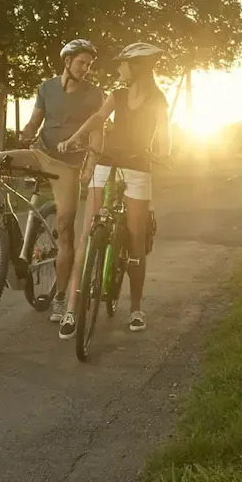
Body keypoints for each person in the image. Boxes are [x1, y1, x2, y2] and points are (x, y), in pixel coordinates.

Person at [0, 38, 104, 324]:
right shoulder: (46, 88)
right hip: (38, 154)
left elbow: (96, 132)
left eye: (89, 65)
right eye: (82, 62)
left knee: (66, 230)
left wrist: (90, 165)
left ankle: (59, 298)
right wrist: (27, 131)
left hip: (68, 167)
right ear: (67, 61)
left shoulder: (95, 94)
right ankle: (4, 226)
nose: (86, 68)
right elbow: (36, 120)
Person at [55, 42, 170, 336]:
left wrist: (163, 152)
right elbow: (97, 119)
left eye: (122, 64)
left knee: (135, 239)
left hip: (138, 168)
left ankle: (135, 309)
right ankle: (70, 309)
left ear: (136, 68)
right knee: (86, 234)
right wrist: (74, 138)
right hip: (106, 164)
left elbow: (163, 134)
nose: (118, 69)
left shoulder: (158, 98)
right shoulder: (116, 95)